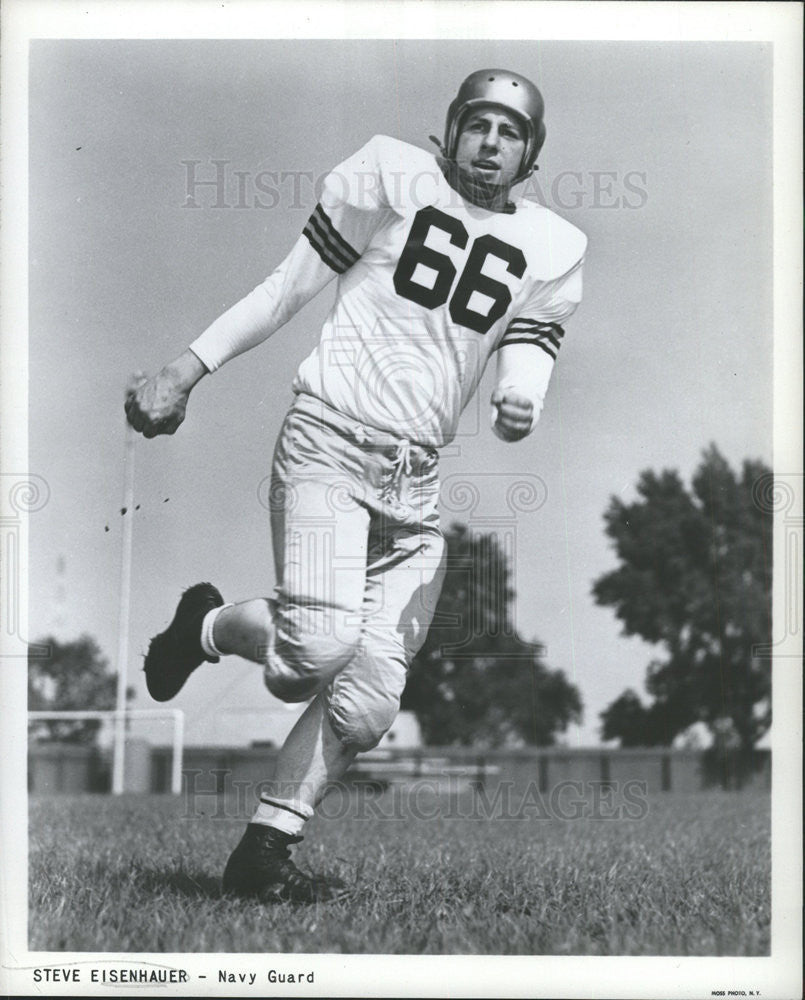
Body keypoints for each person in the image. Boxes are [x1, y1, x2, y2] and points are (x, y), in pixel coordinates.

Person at [125, 68, 587, 903]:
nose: (489, 142)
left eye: (509, 132)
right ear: (447, 131)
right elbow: (286, 287)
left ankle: (263, 849)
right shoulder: (388, 174)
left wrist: (523, 395)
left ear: (531, 154)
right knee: (312, 656)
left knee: (371, 702)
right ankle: (209, 626)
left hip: (415, 485)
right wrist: (185, 369)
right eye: (476, 123)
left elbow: (528, 341)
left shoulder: (555, 245)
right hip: (328, 445)